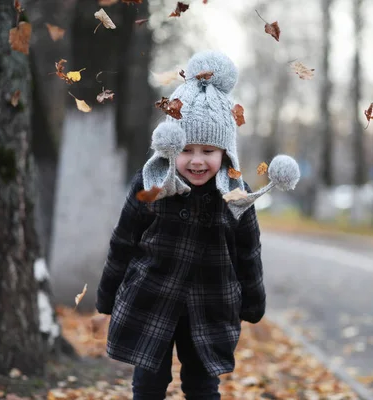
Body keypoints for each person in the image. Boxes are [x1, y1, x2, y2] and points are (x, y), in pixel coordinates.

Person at [95, 50, 300, 399]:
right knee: (147, 384)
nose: (197, 160)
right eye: (187, 149)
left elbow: (248, 252)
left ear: (225, 153)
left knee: (204, 387)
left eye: (209, 150)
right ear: (170, 146)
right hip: (151, 300)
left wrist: (253, 300)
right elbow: (124, 240)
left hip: (211, 304)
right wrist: (108, 292)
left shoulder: (237, 196)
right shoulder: (151, 184)